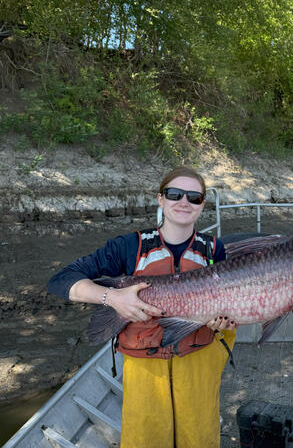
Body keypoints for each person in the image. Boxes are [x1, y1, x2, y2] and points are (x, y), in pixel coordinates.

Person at [48, 166, 236, 448]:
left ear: (203, 205)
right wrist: (111, 298)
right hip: (145, 372)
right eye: (175, 194)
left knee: (200, 439)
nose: (184, 202)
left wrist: (223, 320)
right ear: (160, 198)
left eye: (194, 197)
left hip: (199, 368)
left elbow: (225, 305)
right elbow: (62, 280)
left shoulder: (215, 249)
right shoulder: (128, 246)